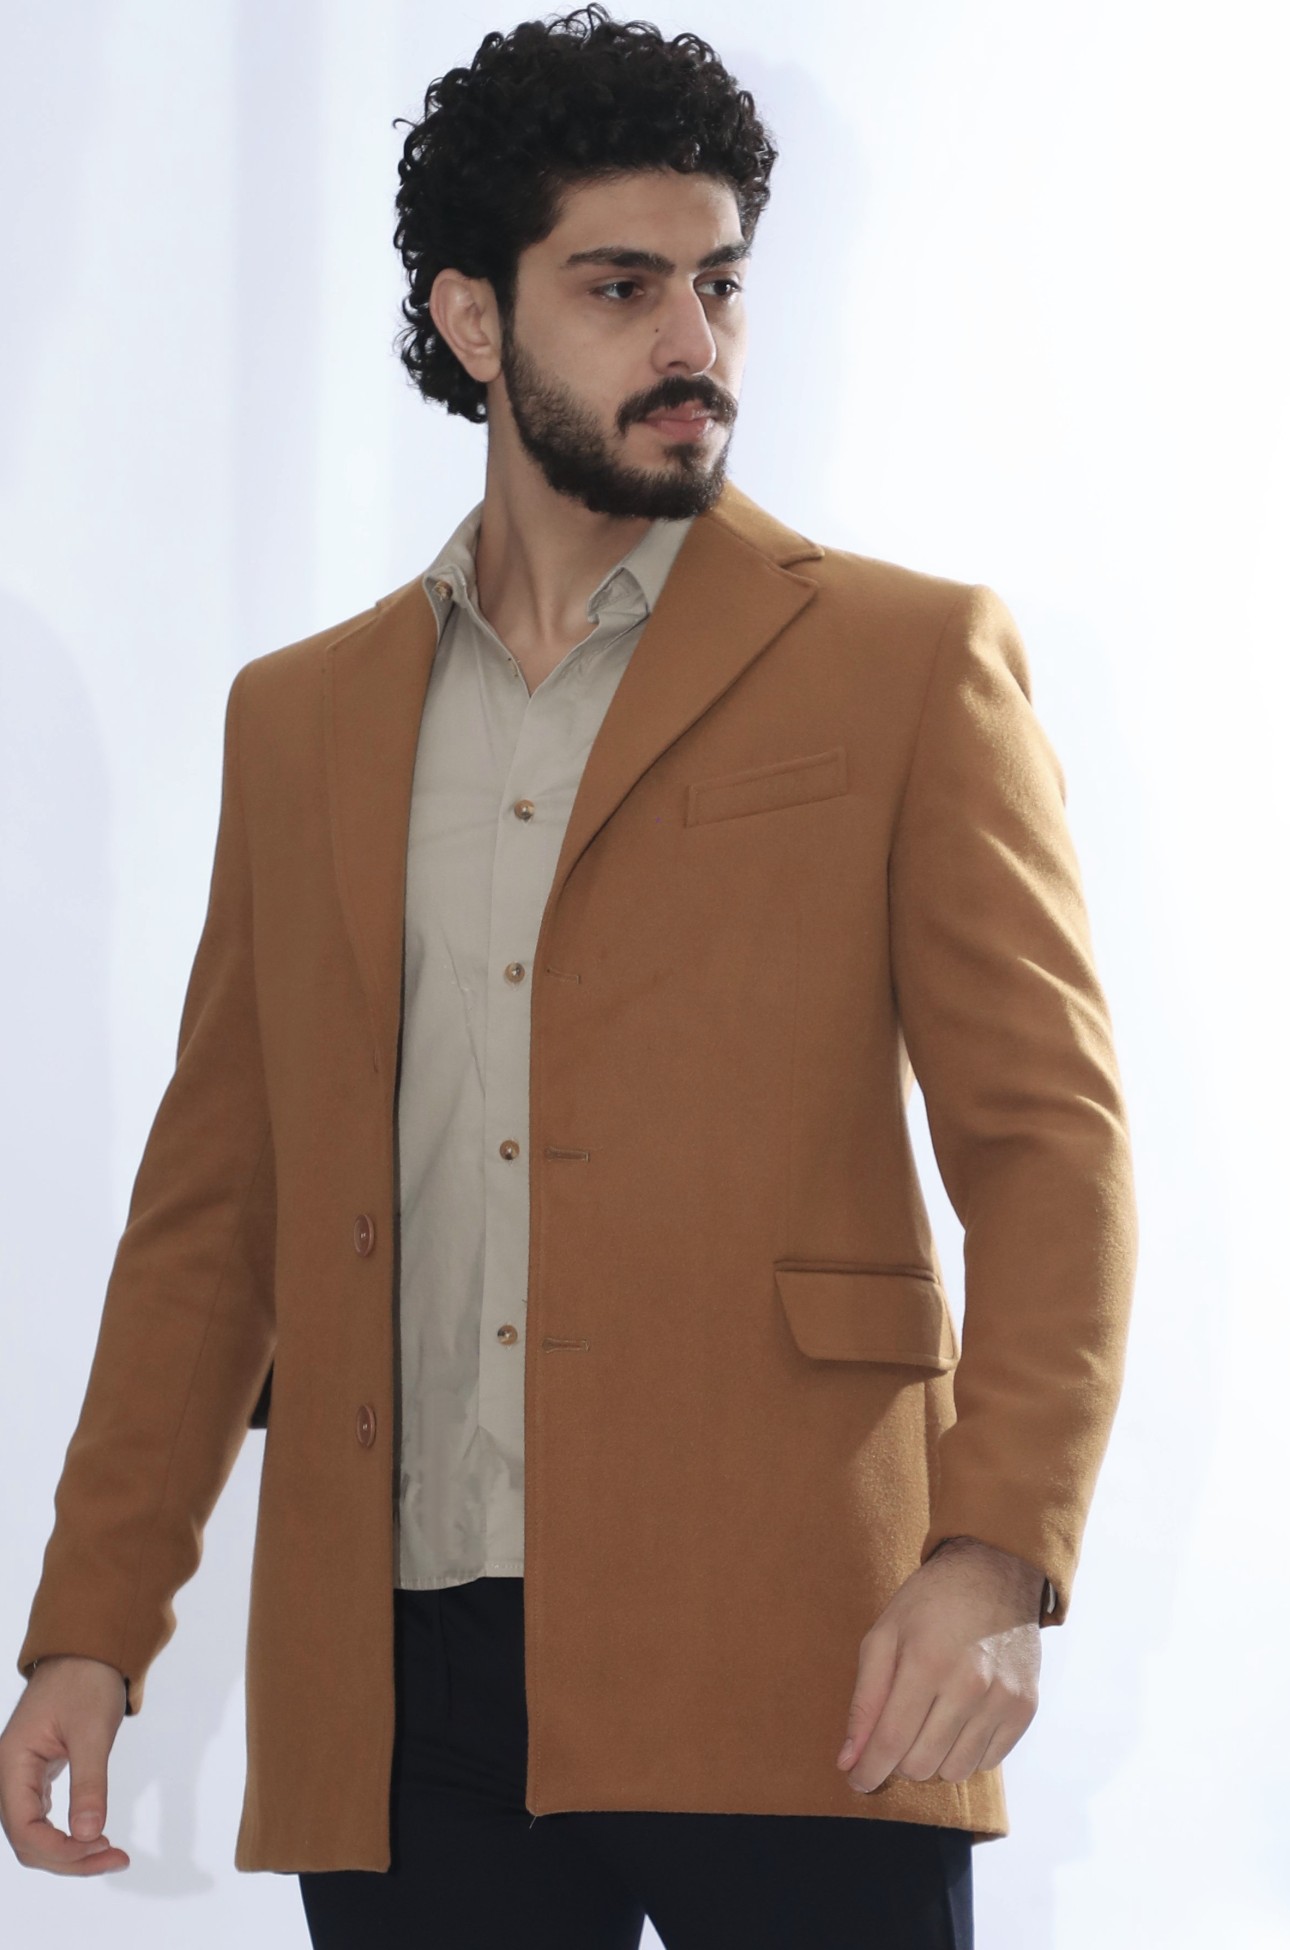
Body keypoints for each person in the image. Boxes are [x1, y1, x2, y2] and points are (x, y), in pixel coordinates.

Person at [0, 7, 1138, 1946]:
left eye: (719, 284)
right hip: (402, 1690)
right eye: (621, 288)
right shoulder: (301, 720)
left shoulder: (905, 662)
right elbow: (213, 1210)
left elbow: (1050, 1145)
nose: (693, 342)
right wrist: (90, 1629)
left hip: (811, 1648)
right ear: (471, 317)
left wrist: (994, 1552)